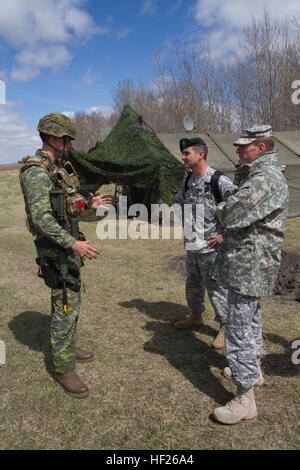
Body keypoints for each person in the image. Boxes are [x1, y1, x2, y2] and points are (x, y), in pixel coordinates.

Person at [19, 113, 112, 398]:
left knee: (72, 299)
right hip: (56, 248)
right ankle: (62, 367)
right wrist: (73, 243)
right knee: (63, 304)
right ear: (53, 138)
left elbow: (66, 207)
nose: (70, 145)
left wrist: (89, 205)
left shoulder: (56, 168)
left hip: (66, 246)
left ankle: (68, 347)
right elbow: (42, 219)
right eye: (67, 139)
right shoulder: (36, 172)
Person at [211, 125, 288, 424]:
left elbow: (231, 213)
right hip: (249, 262)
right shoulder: (256, 175)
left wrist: (220, 208)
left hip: (250, 263)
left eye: (245, 146)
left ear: (262, 148)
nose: (238, 150)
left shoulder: (265, 178)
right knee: (250, 317)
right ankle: (253, 372)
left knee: (238, 329)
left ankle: (244, 398)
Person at [174, 137, 233, 349]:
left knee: (216, 288)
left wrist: (224, 235)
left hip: (212, 248)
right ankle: (196, 315)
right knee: (193, 283)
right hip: (192, 245)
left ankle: (226, 327)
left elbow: (240, 211)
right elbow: (178, 201)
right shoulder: (188, 180)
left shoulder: (219, 181)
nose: (183, 157)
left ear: (201, 154)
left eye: (187, 153)